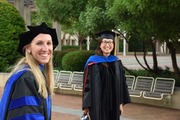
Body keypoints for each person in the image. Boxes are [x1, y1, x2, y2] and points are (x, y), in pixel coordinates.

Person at [0, 22, 58, 120]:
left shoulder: (35, 73)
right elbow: (28, 116)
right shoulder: (27, 78)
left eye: (49, 43)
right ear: (28, 48)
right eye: (39, 43)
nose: (45, 48)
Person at [82, 30, 131, 120]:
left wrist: (120, 103)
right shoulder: (92, 62)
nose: (107, 45)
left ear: (113, 45)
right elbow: (87, 85)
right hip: (97, 104)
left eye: (110, 42)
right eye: (104, 42)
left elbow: (122, 84)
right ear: (100, 44)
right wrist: (86, 105)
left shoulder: (117, 62)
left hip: (114, 104)